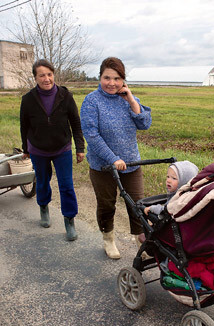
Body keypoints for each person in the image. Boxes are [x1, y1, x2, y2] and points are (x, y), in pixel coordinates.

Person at [80, 57, 152, 259]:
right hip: (103, 166)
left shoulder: (128, 98)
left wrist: (130, 99)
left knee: (138, 204)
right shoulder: (91, 101)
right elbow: (92, 135)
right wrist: (112, 159)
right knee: (107, 204)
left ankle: (142, 240)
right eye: (107, 78)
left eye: (117, 78)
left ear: (123, 80)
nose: (112, 83)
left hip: (131, 163)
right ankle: (108, 239)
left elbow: (144, 124)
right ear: (100, 77)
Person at [20, 59, 85, 241]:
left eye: (49, 74)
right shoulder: (28, 100)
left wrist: (80, 147)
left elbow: (75, 123)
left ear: (53, 75)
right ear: (35, 77)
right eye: (42, 75)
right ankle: (43, 207)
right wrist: (26, 149)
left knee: (66, 185)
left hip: (62, 148)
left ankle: (69, 220)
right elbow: (24, 126)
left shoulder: (65, 96)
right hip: (38, 149)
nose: (46, 79)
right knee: (42, 182)